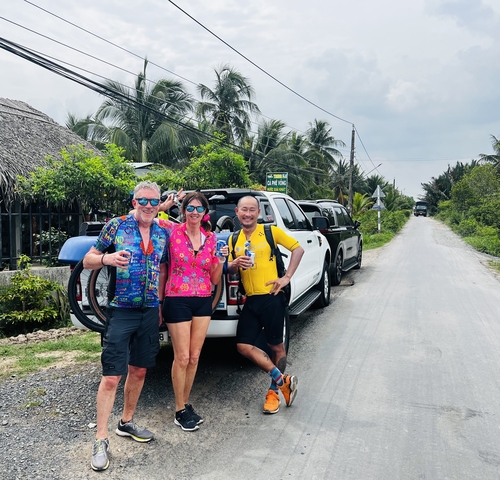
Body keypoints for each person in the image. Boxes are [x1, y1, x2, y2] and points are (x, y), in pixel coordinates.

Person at [83, 180, 171, 472]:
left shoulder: (162, 231)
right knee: (111, 376)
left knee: (140, 369)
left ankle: (127, 422)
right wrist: (107, 258)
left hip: (149, 311)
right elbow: (88, 260)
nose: (148, 206)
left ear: (160, 204)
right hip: (120, 310)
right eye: (142, 201)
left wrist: (158, 303)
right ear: (134, 202)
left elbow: (162, 267)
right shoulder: (115, 226)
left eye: (153, 201)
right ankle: (100, 438)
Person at [227, 196, 304, 414]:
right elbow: (232, 270)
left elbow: (298, 250)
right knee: (243, 345)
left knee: (276, 347)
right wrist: (233, 264)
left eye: (252, 210)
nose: (248, 214)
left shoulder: (271, 232)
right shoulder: (235, 239)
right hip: (251, 300)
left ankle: (273, 393)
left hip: (272, 298)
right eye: (244, 210)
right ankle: (283, 381)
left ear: (258, 212)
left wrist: (286, 277)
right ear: (237, 211)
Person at [160, 191, 228, 431]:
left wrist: (220, 260)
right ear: (183, 210)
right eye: (190, 208)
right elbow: (140, 216)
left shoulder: (211, 239)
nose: (195, 212)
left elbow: (214, 277)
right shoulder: (171, 231)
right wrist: (162, 205)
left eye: (199, 208)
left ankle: (185, 403)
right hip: (177, 299)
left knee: (195, 356)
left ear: (205, 213)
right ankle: (179, 410)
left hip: (202, 300)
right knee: (182, 357)